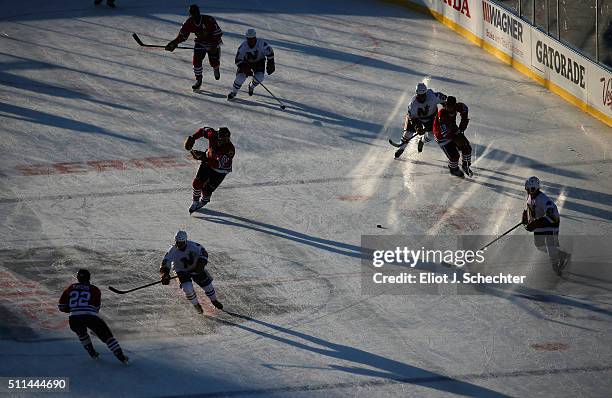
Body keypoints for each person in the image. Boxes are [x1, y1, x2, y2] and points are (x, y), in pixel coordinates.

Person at [58, 269, 128, 363]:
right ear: (89, 277)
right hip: (90, 317)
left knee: (82, 333)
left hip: (74, 319)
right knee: (107, 336)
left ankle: (91, 352)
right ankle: (121, 357)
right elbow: (96, 308)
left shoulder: (70, 288)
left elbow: (61, 307)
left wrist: (73, 309)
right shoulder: (94, 289)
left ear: (78, 278)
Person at [160, 231, 223, 314]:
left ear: (185, 241)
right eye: (177, 243)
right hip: (181, 271)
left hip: (195, 268)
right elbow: (165, 262)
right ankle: (196, 304)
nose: (179, 245)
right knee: (187, 288)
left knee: (207, 285)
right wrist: (165, 274)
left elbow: (203, 253)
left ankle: (214, 300)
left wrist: (200, 265)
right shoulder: (172, 250)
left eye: (181, 243)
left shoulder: (194, 246)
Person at [165, 4, 223, 90]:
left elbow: (218, 33)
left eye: (196, 13)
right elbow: (182, 35)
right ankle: (199, 80)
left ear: (199, 13)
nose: (194, 16)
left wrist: (214, 46)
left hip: (213, 43)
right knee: (196, 62)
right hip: (200, 43)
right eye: (192, 14)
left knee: (213, 62)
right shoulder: (188, 22)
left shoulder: (209, 20)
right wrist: (174, 43)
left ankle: (216, 68)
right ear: (190, 14)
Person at [522, 176, 571, 275]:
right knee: (539, 245)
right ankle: (562, 255)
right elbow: (531, 211)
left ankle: (556, 265)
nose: (529, 191)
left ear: (536, 188)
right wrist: (526, 219)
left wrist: (536, 223)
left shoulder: (543, 199)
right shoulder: (530, 197)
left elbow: (552, 216)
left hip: (550, 225)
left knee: (550, 247)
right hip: (540, 225)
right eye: (527, 189)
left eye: (531, 189)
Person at [183, 126, 235, 213]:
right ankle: (195, 201)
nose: (224, 141)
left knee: (206, 190)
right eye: (222, 139)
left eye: (226, 139)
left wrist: (204, 157)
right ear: (217, 136)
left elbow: (219, 164)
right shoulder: (212, 134)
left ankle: (204, 201)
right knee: (197, 183)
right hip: (208, 162)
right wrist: (193, 138)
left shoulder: (230, 149)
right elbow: (203, 131)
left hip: (220, 170)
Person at [395, 83, 447, 159]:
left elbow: (445, 100)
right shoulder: (412, 104)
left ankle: (422, 141)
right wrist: (418, 127)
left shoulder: (434, 96)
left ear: (426, 93)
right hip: (417, 118)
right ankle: (401, 148)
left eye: (423, 95)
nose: (421, 97)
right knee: (408, 133)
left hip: (432, 118)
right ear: (416, 94)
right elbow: (412, 118)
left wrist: (445, 110)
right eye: (419, 95)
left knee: (431, 135)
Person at [227, 28, 275, 100]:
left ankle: (251, 87)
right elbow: (237, 60)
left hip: (259, 62)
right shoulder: (243, 46)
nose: (251, 41)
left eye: (252, 38)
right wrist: (244, 68)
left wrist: (271, 63)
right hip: (246, 63)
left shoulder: (262, 43)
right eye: (249, 39)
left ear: (255, 37)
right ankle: (234, 92)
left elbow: (270, 52)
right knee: (240, 77)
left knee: (260, 77)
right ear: (246, 38)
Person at [432, 96, 472, 177]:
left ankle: (465, 165)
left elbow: (464, 108)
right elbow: (444, 133)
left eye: (452, 107)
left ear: (455, 105)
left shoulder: (458, 106)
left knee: (467, 147)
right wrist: (456, 137)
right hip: (442, 137)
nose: (450, 109)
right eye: (448, 106)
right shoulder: (442, 114)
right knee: (454, 156)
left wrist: (464, 120)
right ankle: (453, 169)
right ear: (445, 105)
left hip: (453, 129)